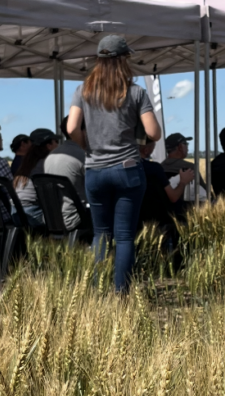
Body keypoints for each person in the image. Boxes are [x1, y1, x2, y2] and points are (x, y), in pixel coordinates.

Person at [67, 34, 161, 293]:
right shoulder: (136, 92)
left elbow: (71, 127)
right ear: (123, 60)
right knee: (124, 236)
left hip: (95, 171)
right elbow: (154, 133)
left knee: (101, 234)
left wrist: (87, 146)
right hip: (127, 170)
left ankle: (97, 291)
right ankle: (121, 294)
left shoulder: (83, 91)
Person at [139, 138, 193, 253]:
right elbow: (173, 197)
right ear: (146, 150)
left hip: (136, 219)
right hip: (158, 219)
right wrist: (183, 182)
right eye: (153, 146)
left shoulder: (123, 168)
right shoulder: (155, 169)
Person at [43, 115, 88, 230]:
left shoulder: (50, 156)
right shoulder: (83, 156)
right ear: (83, 131)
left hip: (53, 219)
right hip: (77, 218)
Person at [12, 128, 60, 227]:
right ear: (49, 145)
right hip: (32, 215)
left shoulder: (26, 164)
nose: (58, 145)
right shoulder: (44, 164)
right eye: (56, 141)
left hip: (16, 213)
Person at [161, 132, 209, 199]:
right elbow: (206, 193)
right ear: (180, 147)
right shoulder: (189, 167)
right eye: (186, 144)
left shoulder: (160, 167)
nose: (187, 148)